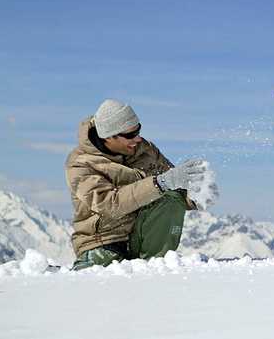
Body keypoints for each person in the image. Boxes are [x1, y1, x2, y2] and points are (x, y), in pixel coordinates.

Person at [65, 99, 218, 270]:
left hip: (142, 236)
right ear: (108, 136)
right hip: (104, 243)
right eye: (130, 135)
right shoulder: (81, 164)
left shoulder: (145, 150)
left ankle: (155, 270)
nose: (137, 139)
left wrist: (196, 196)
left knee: (170, 199)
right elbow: (109, 204)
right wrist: (159, 183)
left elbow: (174, 187)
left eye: (137, 130)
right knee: (93, 286)